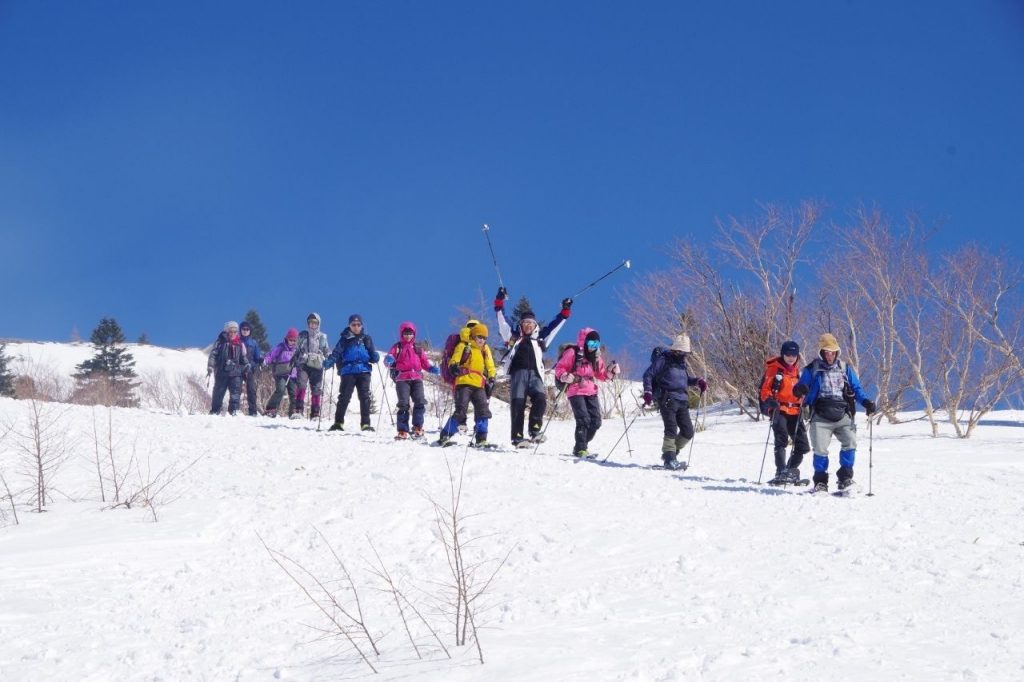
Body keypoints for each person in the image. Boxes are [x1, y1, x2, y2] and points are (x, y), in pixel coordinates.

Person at [792, 333, 876, 493]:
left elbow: (857, 388)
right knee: (820, 449)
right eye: (826, 352)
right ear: (821, 353)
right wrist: (799, 390)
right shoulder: (812, 369)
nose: (830, 355)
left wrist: (866, 402)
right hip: (820, 415)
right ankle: (820, 482)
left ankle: (845, 478)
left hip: (842, 414)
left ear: (837, 352)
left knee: (850, 442)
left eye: (833, 352)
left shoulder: (845, 368)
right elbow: (798, 388)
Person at [494, 288, 572, 447]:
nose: (528, 325)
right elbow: (502, 320)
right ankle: (517, 437)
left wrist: (565, 311)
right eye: (525, 322)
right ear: (521, 325)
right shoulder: (513, 336)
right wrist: (500, 300)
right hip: (518, 372)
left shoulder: (541, 338)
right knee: (518, 403)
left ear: (535, 325)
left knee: (541, 399)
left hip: (536, 374)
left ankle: (534, 430)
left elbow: (555, 326)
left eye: (530, 323)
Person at [641, 334, 707, 470]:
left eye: (686, 353)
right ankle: (669, 458)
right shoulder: (663, 360)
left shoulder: (682, 364)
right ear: (676, 350)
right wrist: (648, 391)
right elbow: (648, 374)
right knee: (671, 428)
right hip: (667, 399)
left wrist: (698, 381)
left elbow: (686, 380)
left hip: (682, 400)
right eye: (682, 352)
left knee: (688, 431)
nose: (684, 355)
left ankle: (670, 453)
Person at [554, 328, 620, 458]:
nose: (593, 347)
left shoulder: (596, 357)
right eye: (591, 344)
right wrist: (564, 376)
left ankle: (581, 444)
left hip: (591, 390)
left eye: (596, 344)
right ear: (584, 342)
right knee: (583, 419)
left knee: (596, 422)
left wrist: (611, 372)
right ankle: (580, 449)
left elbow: (601, 375)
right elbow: (559, 368)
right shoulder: (572, 352)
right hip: (575, 389)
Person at [758, 340, 810, 484]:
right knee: (781, 440)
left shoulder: (797, 372)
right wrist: (769, 400)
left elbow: (800, 393)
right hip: (779, 408)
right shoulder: (774, 369)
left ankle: (789, 471)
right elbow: (765, 389)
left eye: (794, 355)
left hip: (795, 410)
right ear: (783, 354)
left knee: (803, 446)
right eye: (788, 354)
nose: (791, 358)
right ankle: (781, 471)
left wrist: (805, 397)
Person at [437, 322, 497, 447]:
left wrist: (492, 377)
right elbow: (455, 358)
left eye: (484, 338)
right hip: (463, 382)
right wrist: (453, 366)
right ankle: (445, 435)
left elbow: (490, 365)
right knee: (461, 411)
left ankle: (481, 439)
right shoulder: (463, 345)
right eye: (479, 336)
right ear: (473, 335)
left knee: (483, 411)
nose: (482, 340)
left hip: (479, 385)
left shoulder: (484, 349)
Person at [383, 321, 440, 439]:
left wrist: (431, 368)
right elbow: (390, 357)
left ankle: (417, 426)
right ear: (401, 334)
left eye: (410, 333)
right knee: (403, 403)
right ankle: (402, 430)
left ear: (414, 334)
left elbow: (424, 362)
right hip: (402, 378)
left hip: (417, 378)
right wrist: (388, 359)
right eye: (406, 333)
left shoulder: (418, 348)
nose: (408, 336)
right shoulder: (397, 347)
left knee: (420, 401)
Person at [324, 314, 380, 431]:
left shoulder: (366, 338)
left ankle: (365, 424)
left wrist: (375, 356)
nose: (356, 327)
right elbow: (337, 352)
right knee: (344, 396)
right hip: (348, 370)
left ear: (361, 325)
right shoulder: (344, 339)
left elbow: (372, 353)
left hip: (364, 370)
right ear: (349, 325)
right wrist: (330, 361)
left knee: (365, 397)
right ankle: (338, 423)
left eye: (358, 324)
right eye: (353, 324)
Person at [207, 320, 251, 416]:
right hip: (222, 372)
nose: (233, 334)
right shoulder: (220, 342)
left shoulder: (239, 343)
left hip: (236, 372)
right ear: (227, 331)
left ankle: (233, 411)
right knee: (218, 392)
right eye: (231, 331)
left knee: (235, 392)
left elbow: (243, 357)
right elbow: (213, 355)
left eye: (235, 331)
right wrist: (210, 366)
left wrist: (246, 364)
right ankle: (215, 410)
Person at [291, 312, 329, 420]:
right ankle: (298, 410)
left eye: (315, 323)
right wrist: (295, 357)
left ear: (318, 324)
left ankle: (315, 413)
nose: (312, 325)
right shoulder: (303, 335)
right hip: (304, 363)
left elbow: (326, 351)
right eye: (310, 322)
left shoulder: (322, 337)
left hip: (317, 365)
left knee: (316, 389)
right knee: (301, 385)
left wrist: (327, 360)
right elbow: (297, 348)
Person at [262, 327, 299, 417]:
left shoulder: (297, 350)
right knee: (281, 389)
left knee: (294, 393)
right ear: (287, 338)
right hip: (281, 373)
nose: (292, 342)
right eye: (290, 340)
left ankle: (293, 412)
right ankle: (271, 409)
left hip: (292, 374)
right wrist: (265, 361)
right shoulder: (281, 347)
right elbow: (272, 355)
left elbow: (301, 360)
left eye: (294, 341)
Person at [238, 320, 263, 416]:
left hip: (249, 368)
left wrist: (258, 361)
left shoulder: (253, 343)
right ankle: (234, 410)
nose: (245, 331)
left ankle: (253, 411)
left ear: (250, 331)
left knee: (251, 389)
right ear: (240, 330)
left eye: (247, 329)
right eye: (243, 329)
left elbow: (257, 357)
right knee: (237, 389)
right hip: (239, 368)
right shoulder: (238, 341)